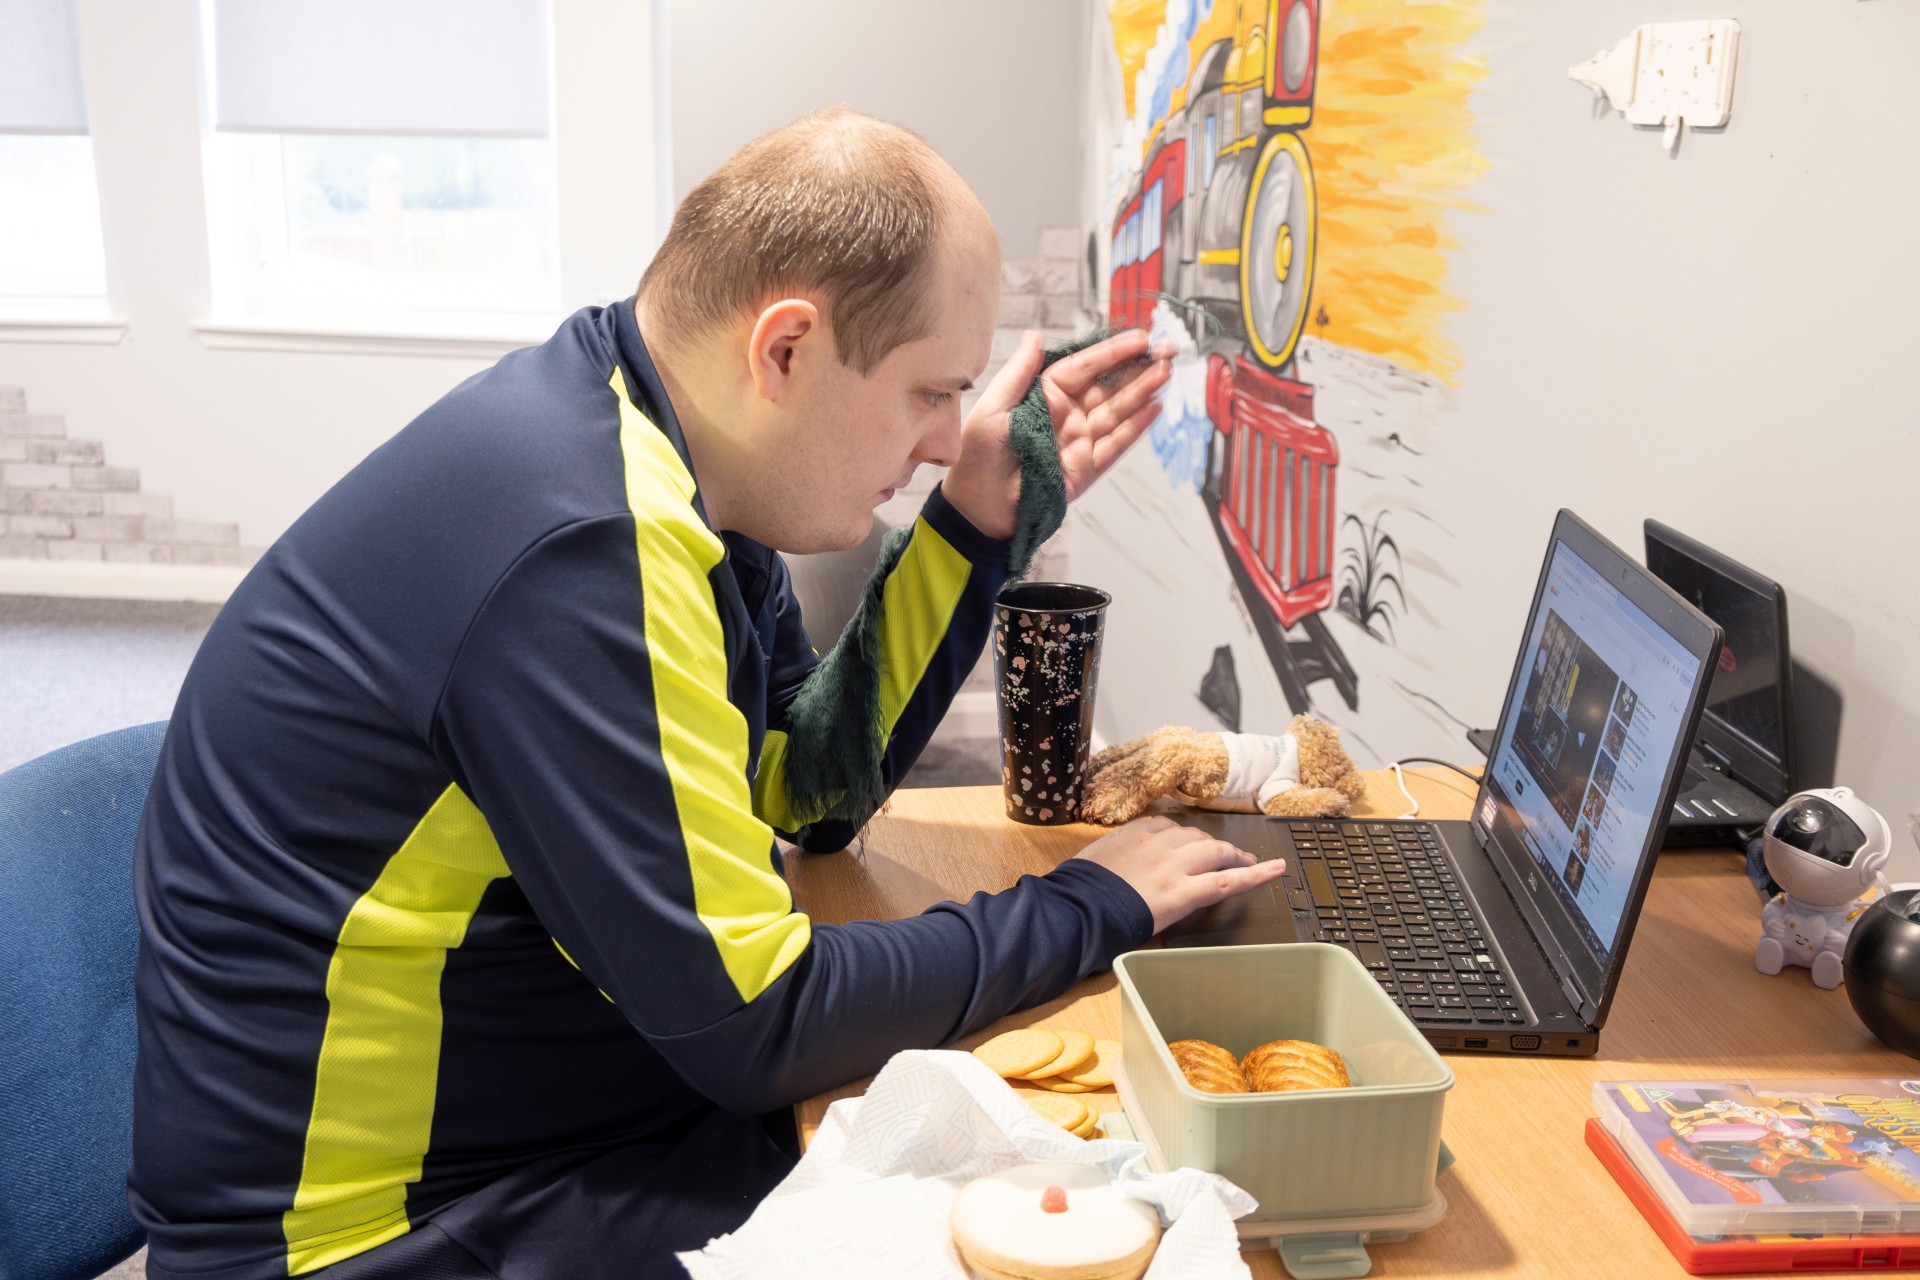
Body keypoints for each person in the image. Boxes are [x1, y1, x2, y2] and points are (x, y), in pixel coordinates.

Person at [128, 109, 1287, 1280]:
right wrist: (1091, 902)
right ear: (784, 348)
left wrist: (972, 527)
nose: (947, 439)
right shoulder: (581, 549)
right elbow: (758, 1021)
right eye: (929, 394)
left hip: (549, 1123)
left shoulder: (655, 449)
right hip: (377, 1238)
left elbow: (801, 782)